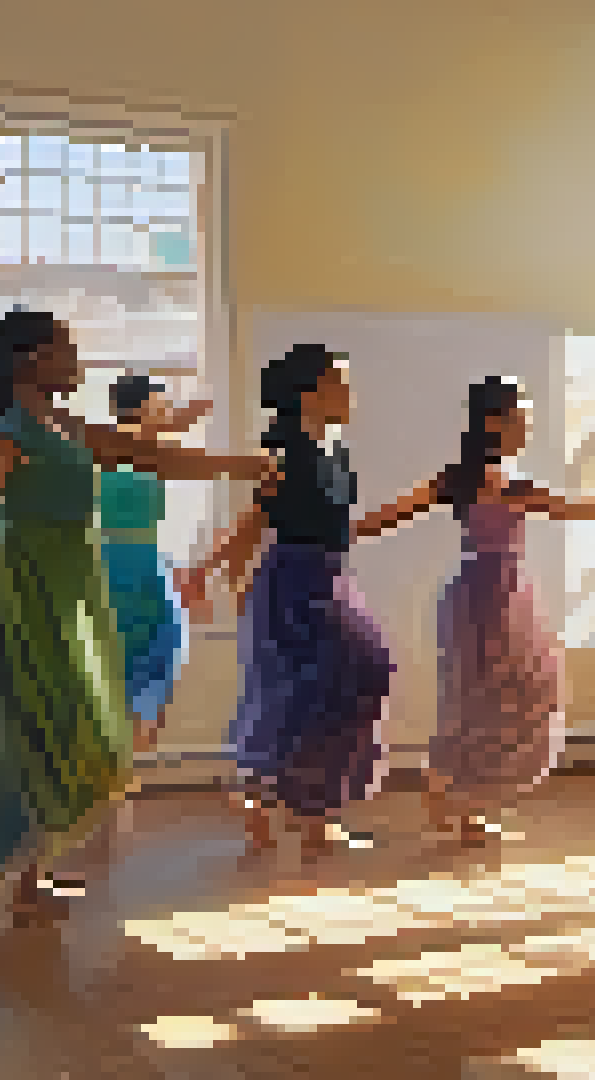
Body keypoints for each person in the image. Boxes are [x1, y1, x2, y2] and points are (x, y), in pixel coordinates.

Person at [0, 310, 268, 924]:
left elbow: (151, 457)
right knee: (16, 726)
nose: (77, 360)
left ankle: (30, 874)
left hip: (71, 583)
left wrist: (244, 465)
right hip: (25, 584)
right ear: (29, 360)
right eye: (64, 349)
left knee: (68, 724)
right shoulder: (9, 431)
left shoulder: (65, 424)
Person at [341, 376, 595, 846]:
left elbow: (384, 517)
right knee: (511, 697)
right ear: (494, 423)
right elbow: (570, 508)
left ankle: (459, 803)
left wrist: (331, 531)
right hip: (498, 597)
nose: (526, 428)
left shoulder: (456, 478)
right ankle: (448, 793)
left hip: (476, 593)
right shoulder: (506, 482)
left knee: (479, 700)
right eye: (520, 419)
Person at [178, 345, 395, 857]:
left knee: (358, 678)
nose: (350, 392)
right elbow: (253, 525)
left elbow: (338, 524)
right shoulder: (286, 454)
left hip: (332, 575)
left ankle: (302, 808)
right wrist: (211, 574)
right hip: (293, 580)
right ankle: (275, 801)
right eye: (340, 382)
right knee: (302, 692)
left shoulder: (337, 453)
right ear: (309, 393)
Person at [99, 374, 215, 758]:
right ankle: (113, 770)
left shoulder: (156, 450)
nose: (167, 414)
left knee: (154, 669)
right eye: (159, 406)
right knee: (118, 670)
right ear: (137, 411)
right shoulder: (105, 449)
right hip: (114, 565)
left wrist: (183, 573)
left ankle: (123, 766)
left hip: (150, 564)